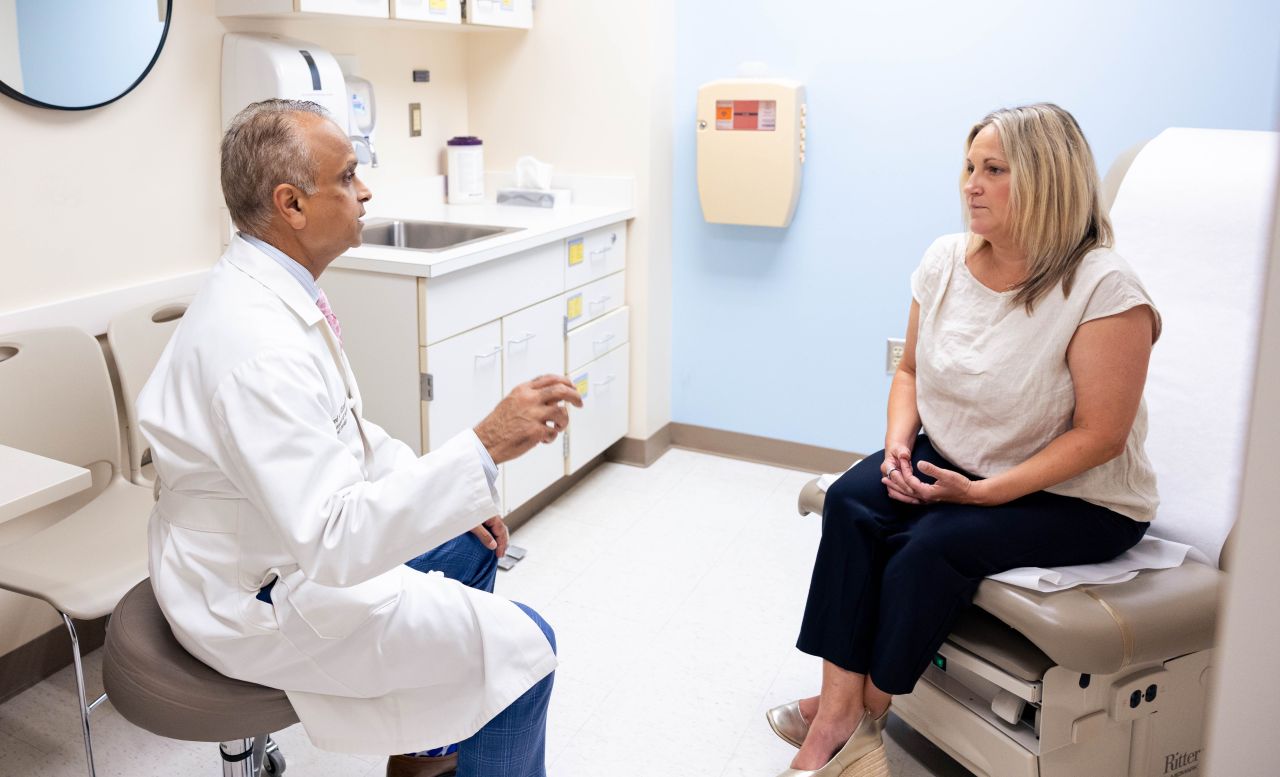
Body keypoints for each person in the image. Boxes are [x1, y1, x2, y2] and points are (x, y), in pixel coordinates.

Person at [138, 99, 583, 777]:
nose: (365, 190)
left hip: (274, 548)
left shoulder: (274, 290)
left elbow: (347, 432)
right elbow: (333, 541)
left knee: (470, 546)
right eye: (347, 176)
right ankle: (451, 728)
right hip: (255, 595)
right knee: (525, 654)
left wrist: (455, 495)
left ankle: (428, 750)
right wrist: (485, 443)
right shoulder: (258, 344)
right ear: (291, 204)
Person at [766, 103, 1161, 777]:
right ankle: (838, 715)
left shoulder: (1103, 287)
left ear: (1045, 180)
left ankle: (865, 716)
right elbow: (911, 372)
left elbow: (1101, 436)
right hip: (957, 459)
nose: (971, 185)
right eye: (970, 167)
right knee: (853, 501)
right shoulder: (945, 260)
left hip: (1077, 495)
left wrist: (981, 495)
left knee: (930, 545)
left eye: (994, 170)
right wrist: (899, 444)